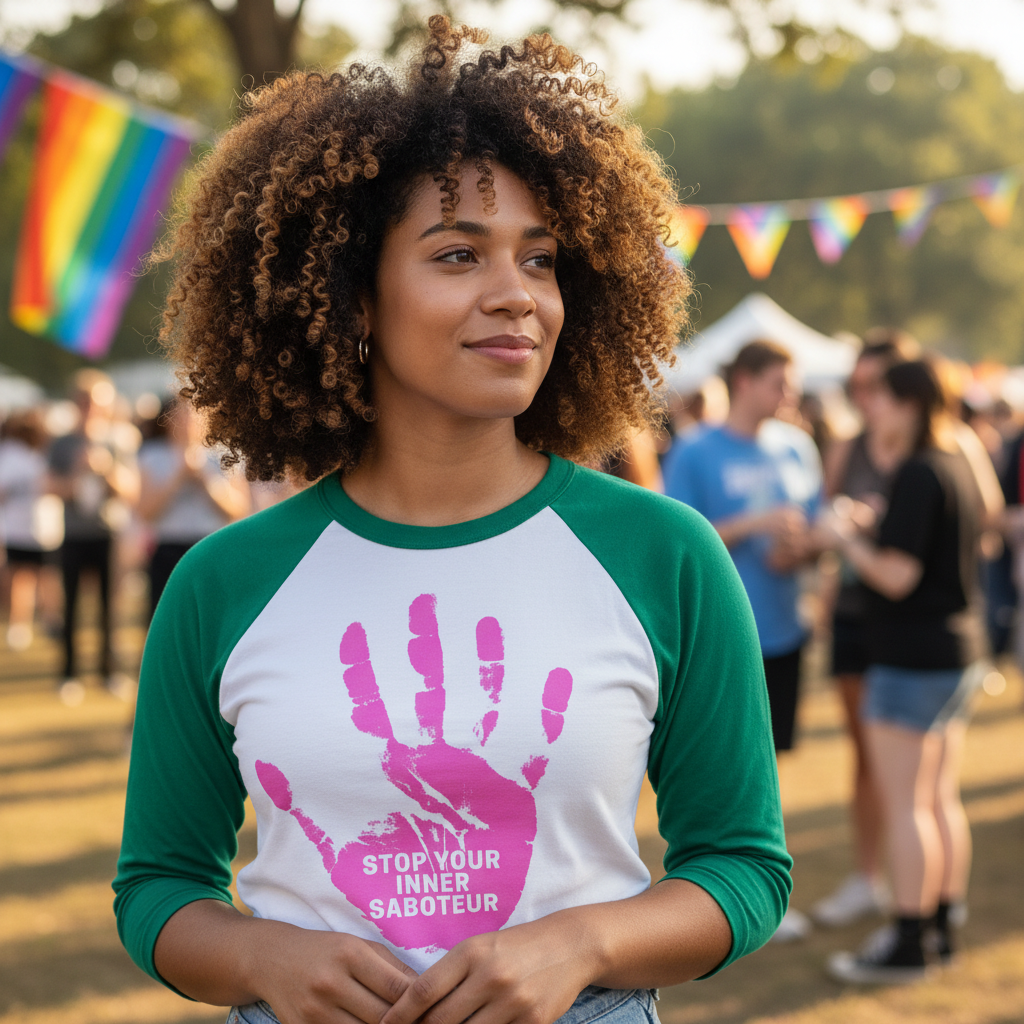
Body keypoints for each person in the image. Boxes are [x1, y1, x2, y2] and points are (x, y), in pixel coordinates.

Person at [113, 22, 791, 1024]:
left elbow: (741, 866)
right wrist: (262, 954)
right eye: (458, 253)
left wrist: (583, 940)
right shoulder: (224, 580)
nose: (516, 295)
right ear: (345, 296)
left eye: (542, 258)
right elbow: (160, 886)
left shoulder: (664, 553)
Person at [822, 359, 986, 984]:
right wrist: (870, 528)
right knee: (939, 799)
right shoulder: (955, 460)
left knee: (907, 806)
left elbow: (898, 575)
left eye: (880, 397)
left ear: (911, 403)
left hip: (914, 659)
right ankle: (938, 925)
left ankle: (910, 940)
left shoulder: (920, 470)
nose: (870, 408)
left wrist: (844, 539)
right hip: (953, 653)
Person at [663, 339, 822, 943]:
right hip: (725, 636)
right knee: (728, 776)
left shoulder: (797, 445)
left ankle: (763, 891)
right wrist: (755, 525)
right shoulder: (698, 451)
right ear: (747, 382)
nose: (789, 395)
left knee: (773, 766)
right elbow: (679, 541)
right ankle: (737, 899)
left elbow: (806, 524)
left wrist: (804, 544)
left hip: (785, 625)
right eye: (780, 383)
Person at [812, 332, 920, 929]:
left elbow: (978, 513)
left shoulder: (933, 450)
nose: (864, 396)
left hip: (906, 624)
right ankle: (866, 877)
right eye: (858, 385)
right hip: (855, 614)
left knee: (910, 766)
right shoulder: (847, 448)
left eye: (874, 385)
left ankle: (918, 893)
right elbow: (824, 520)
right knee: (864, 757)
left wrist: (886, 528)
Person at [47, 371, 139, 703]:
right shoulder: (61, 442)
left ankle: (108, 671)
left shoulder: (117, 442)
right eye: (85, 402)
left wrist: (104, 470)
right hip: (72, 534)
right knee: (69, 606)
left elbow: (132, 489)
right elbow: (47, 487)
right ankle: (69, 673)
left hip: (106, 533)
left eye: (98, 402)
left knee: (108, 607)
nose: (91, 408)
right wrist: (75, 476)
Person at [137, 397, 251, 617]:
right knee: (166, 618)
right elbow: (145, 512)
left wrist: (206, 481)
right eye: (179, 416)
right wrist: (176, 480)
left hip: (211, 546)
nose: (187, 422)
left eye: (192, 415)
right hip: (168, 549)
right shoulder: (151, 455)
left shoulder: (224, 455)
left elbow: (240, 509)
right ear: (168, 420)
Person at [0, 408, 54, 651]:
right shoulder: (10, 454)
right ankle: (19, 624)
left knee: (46, 578)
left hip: (44, 529)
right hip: (18, 529)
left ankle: (49, 619)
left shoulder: (46, 453)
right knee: (20, 579)